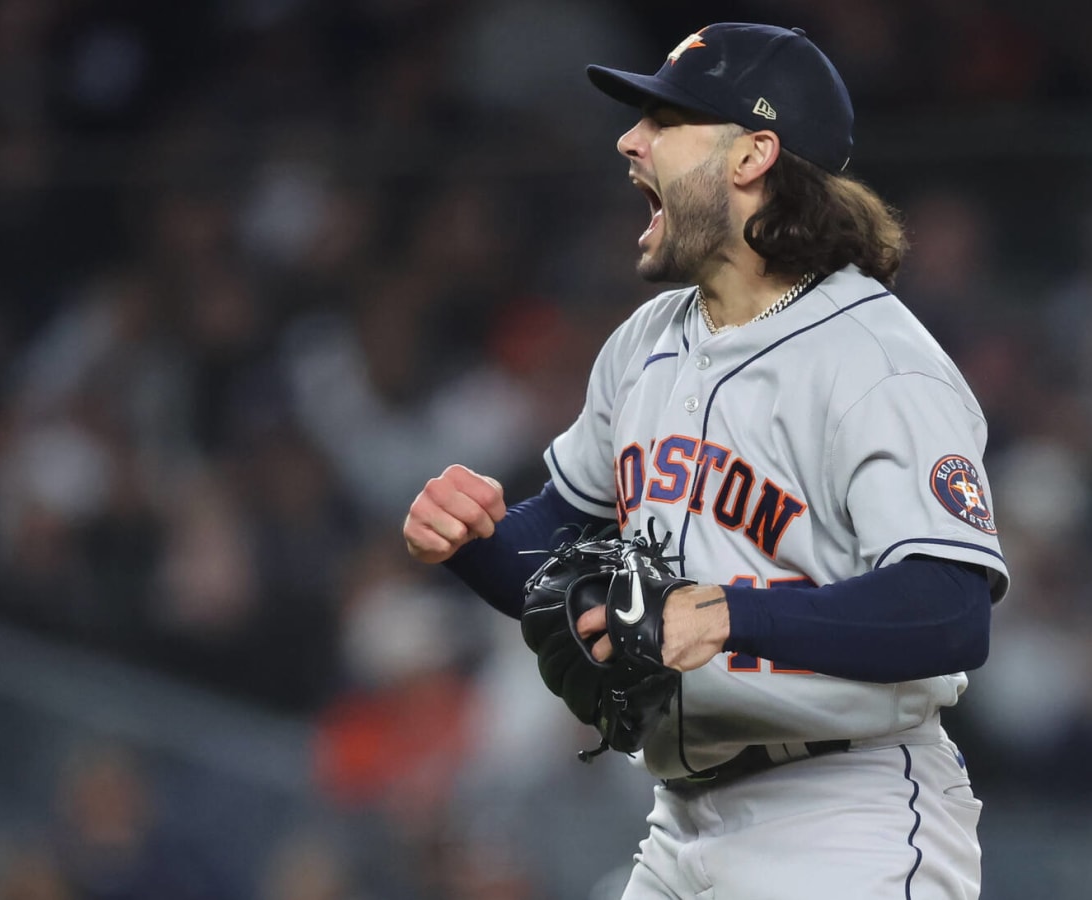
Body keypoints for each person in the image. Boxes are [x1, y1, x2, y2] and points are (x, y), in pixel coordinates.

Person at [403, 22, 1008, 899]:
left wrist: (722, 616)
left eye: (665, 118)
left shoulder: (877, 361)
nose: (629, 139)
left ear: (753, 155)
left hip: (847, 817)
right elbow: (561, 554)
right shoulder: (644, 343)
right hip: (680, 822)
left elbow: (950, 611)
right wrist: (475, 540)